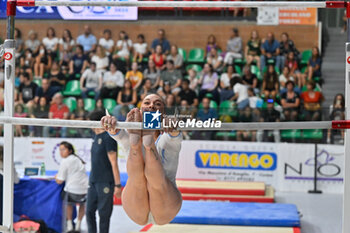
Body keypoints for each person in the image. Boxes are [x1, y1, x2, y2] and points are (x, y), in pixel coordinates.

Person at [101, 93, 182, 225]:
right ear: (140, 109)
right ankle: (143, 143)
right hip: (136, 203)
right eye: (147, 103)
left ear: (163, 113)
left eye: (157, 104)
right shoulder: (129, 134)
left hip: (165, 204)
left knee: (153, 180)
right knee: (139, 176)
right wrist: (109, 123)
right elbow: (118, 134)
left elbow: (175, 136)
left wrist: (173, 126)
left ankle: (146, 144)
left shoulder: (167, 138)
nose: (151, 105)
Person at [87, 110, 122, 233]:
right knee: (89, 212)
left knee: (104, 215)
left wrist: (118, 185)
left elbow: (114, 163)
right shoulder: (95, 136)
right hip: (93, 180)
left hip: (105, 182)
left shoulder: (108, 138)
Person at [55, 141, 88, 232]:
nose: (61, 152)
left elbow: (59, 180)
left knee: (68, 203)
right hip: (85, 189)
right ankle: (78, 224)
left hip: (72, 190)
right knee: (82, 205)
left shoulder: (65, 161)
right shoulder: (78, 159)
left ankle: (69, 225)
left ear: (69, 151)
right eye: (60, 150)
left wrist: (56, 177)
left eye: (63, 149)